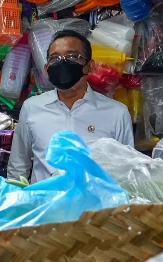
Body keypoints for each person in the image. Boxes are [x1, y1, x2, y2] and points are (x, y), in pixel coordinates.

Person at [8, 30, 134, 184]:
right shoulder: (31, 108)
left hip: (94, 206)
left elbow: (128, 172)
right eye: (55, 58)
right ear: (47, 69)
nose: (62, 63)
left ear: (89, 66)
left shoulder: (117, 113)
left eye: (72, 56)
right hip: (45, 205)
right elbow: (18, 166)